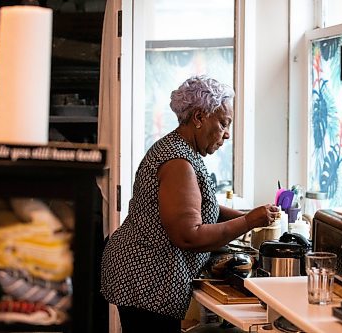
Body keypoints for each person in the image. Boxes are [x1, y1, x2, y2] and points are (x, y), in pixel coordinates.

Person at [100, 75, 280, 332]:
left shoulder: (180, 150)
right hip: (147, 277)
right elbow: (189, 236)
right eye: (223, 123)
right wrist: (249, 221)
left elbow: (200, 209)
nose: (227, 134)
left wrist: (246, 215)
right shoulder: (177, 163)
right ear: (198, 118)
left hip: (145, 272)